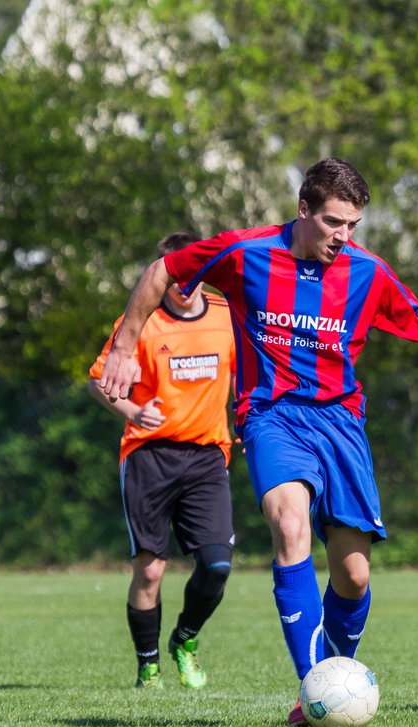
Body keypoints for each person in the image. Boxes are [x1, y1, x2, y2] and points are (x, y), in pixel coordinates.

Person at [98, 157, 418, 727]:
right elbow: (162, 272)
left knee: (354, 575)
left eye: (353, 226)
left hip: (341, 424)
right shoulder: (245, 252)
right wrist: (124, 346)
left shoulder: (367, 270)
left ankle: (335, 676)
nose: (343, 238)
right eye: (334, 223)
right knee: (288, 525)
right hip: (270, 416)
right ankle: (312, 690)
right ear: (303, 209)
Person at [87, 231, 237, 690]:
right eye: (177, 273)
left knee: (216, 566)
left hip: (209, 455)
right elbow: (98, 379)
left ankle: (185, 640)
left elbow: (243, 370)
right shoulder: (139, 322)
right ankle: (147, 666)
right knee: (150, 570)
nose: (186, 282)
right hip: (149, 456)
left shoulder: (228, 317)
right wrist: (133, 410)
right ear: (164, 274)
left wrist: (249, 417)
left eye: (196, 273)